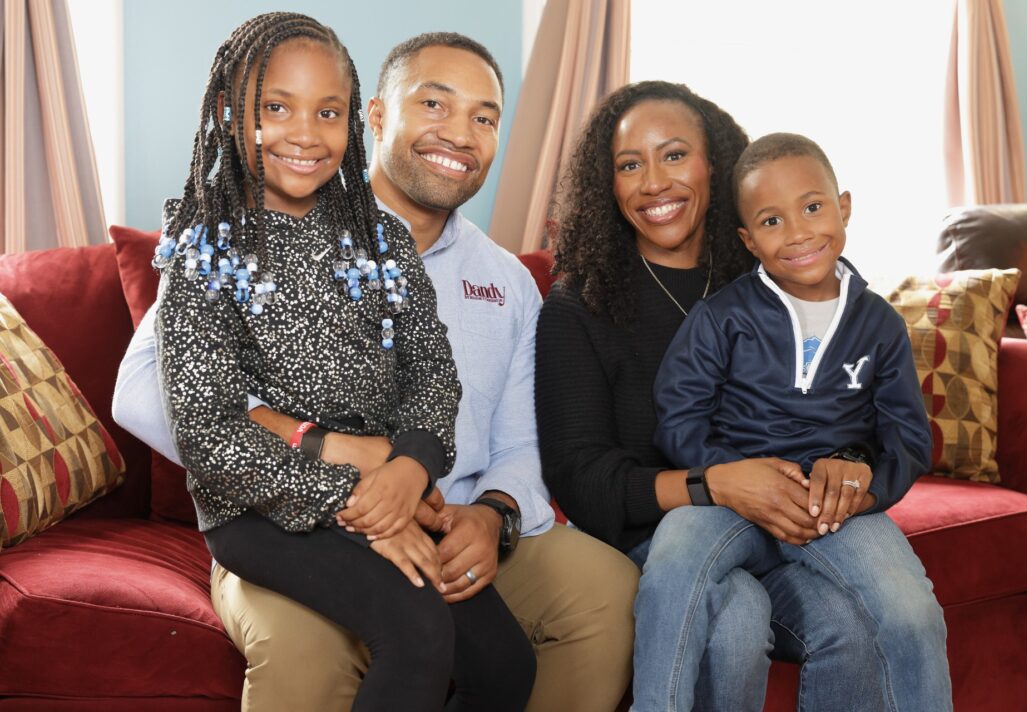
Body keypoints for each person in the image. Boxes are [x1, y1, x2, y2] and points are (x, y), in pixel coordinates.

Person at [114, 30, 637, 712]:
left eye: (484, 117)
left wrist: (450, 493)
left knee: (507, 662)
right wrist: (336, 462)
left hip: (428, 505)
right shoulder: (212, 242)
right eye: (435, 104)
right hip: (276, 506)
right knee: (403, 633)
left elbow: (455, 392)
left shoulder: (470, 270)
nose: (460, 132)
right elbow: (171, 403)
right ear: (381, 117)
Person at [536, 81, 905, 712]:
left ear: (716, 165)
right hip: (653, 540)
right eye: (631, 165)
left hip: (775, 531)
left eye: (675, 155)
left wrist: (848, 463)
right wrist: (717, 485)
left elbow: (856, 409)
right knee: (734, 619)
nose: (655, 182)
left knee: (854, 620)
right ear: (609, 185)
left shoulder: (773, 276)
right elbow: (581, 479)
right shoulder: (578, 304)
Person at [647, 132, 952, 711]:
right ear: (748, 239)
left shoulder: (880, 324)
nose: (798, 233)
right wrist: (738, 476)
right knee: (674, 559)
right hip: (731, 500)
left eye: (812, 207)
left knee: (912, 612)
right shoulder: (720, 317)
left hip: (832, 510)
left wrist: (863, 488)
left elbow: (908, 439)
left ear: (844, 207)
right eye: (771, 221)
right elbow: (678, 421)